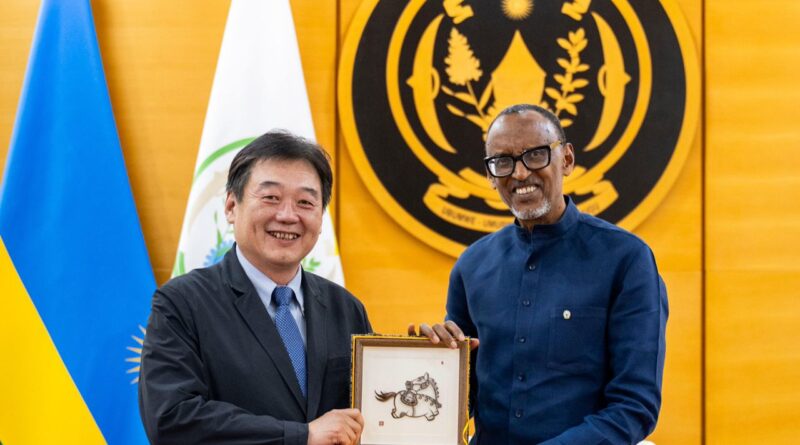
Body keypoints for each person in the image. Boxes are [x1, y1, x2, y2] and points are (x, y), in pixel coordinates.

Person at [410, 104, 668, 444]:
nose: (519, 174)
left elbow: (635, 406)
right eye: (503, 162)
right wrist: (430, 361)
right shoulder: (471, 266)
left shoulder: (627, 260)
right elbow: (460, 400)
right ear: (490, 176)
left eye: (535, 155)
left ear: (567, 160)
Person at [139, 131, 371, 445]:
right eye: (271, 198)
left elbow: (375, 414)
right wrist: (301, 436)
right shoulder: (182, 303)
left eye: (305, 202)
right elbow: (172, 419)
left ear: (320, 218)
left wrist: (427, 357)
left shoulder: (346, 307)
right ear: (231, 206)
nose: (287, 216)